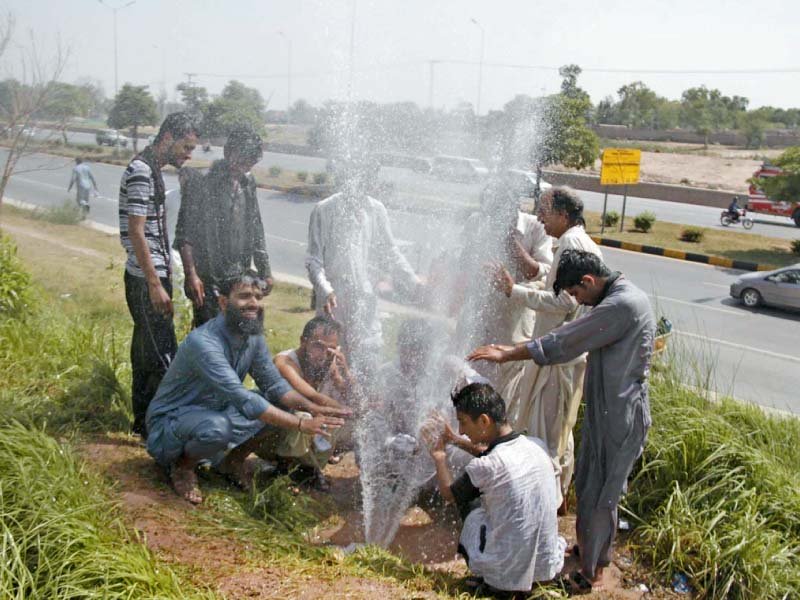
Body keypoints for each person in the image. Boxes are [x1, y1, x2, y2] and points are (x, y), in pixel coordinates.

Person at [468, 250, 656, 592]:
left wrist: (510, 352)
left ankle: (589, 573)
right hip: (610, 413)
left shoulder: (620, 305)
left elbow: (567, 340)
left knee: (600, 493)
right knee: (592, 485)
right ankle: (595, 552)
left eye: (577, 294)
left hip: (621, 417)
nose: (577, 301)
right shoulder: (619, 296)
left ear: (588, 281)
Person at [146, 272, 347, 503]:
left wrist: (313, 407)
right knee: (218, 427)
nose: (253, 303)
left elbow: (274, 385)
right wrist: (302, 423)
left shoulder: (253, 338)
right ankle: (182, 468)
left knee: (275, 402)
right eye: (244, 296)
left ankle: (232, 463)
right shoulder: (203, 343)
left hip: (213, 414)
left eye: (258, 297)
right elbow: (243, 399)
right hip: (169, 426)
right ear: (223, 302)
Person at [490, 186, 601, 505]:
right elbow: (557, 288)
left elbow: (565, 301)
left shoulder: (570, 245)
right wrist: (527, 287)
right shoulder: (575, 242)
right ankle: (556, 502)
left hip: (560, 359)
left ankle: (543, 511)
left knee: (547, 439)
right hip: (560, 353)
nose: (539, 216)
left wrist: (516, 292)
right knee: (555, 434)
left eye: (545, 211)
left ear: (563, 215)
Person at [421, 383, 564, 597]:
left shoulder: (487, 466)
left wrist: (439, 457)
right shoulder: (536, 445)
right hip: (545, 568)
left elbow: (449, 494)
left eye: (463, 422)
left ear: (484, 421)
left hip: (505, 578)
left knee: (470, 503)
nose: (461, 430)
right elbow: (491, 453)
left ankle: (490, 576)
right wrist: (455, 441)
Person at [119, 112, 199, 439]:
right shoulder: (141, 171)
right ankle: (157, 430)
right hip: (145, 278)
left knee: (146, 352)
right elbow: (137, 231)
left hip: (150, 274)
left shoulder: (153, 171)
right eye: (187, 145)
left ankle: (143, 424)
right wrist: (154, 283)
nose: (189, 154)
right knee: (161, 355)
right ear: (168, 137)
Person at [305, 156, 422, 379]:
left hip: (364, 299)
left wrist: (413, 283)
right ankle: (321, 409)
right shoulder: (325, 209)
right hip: (333, 300)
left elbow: (390, 252)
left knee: (368, 357)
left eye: (369, 180)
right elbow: (313, 260)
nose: (364, 185)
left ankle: (362, 410)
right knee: (327, 360)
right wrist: (325, 289)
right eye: (359, 178)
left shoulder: (376, 209)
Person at [457, 178, 552, 398]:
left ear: (512, 209)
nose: (489, 218)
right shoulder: (477, 221)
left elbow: (537, 272)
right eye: (487, 211)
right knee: (470, 378)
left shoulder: (535, 228)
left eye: (495, 213)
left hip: (513, 322)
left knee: (505, 390)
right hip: (479, 315)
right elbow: (463, 261)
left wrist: (509, 237)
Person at [175, 126, 273, 327]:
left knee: (239, 332)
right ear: (229, 152)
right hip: (209, 276)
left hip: (239, 275)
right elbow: (184, 235)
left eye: (251, 163)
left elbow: (256, 227)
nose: (246, 167)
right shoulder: (201, 182)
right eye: (243, 160)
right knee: (209, 335)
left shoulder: (247, 183)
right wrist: (191, 275)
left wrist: (265, 270)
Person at [274, 315, 356, 466]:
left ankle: (311, 465)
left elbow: (350, 393)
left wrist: (345, 370)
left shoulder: (327, 361)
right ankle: (294, 467)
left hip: (302, 428)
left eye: (330, 348)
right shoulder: (285, 362)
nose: (324, 354)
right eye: (318, 346)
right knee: (308, 416)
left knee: (343, 422)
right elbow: (312, 397)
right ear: (303, 341)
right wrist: (350, 412)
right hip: (274, 431)